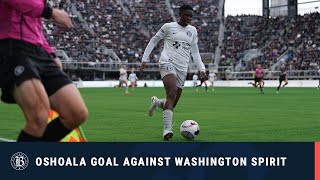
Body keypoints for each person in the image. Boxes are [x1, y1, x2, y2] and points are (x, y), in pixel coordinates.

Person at [0, 1, 88, 141]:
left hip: (38, 50)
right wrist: (51, 12)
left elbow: (35, 26)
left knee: (76, 112)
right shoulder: (44, 8)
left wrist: (51, 54)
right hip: (12, 46)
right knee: (38, 117)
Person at [140, 5, 206, 140]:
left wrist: (202, 69)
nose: (189, 18)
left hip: (183, 68)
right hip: (167, 62)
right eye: (186, 15)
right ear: (180, 13)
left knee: (172, 102)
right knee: (171, 92)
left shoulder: (192, 31)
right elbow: (154, 40)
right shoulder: (168, 27)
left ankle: (157, 102)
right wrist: (144, 58)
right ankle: (167, 130)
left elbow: (195, 51)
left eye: (191, 16)